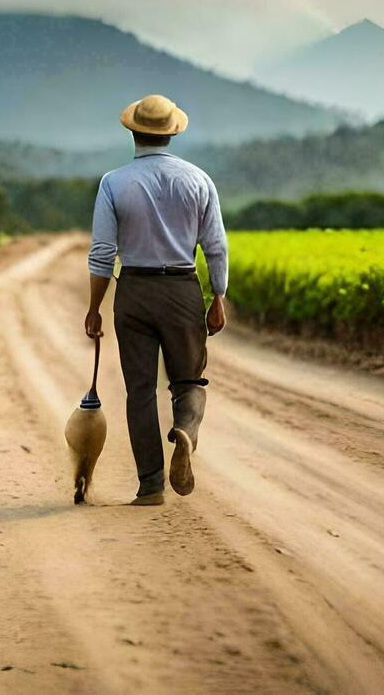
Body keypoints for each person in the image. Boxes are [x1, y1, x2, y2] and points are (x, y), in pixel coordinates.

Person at [85, 94, 228, 506]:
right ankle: (185, 430)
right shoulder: (199, 180)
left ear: (132, 130)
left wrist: (95, 307)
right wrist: (217, 295)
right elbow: (215, 246)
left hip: (134, 290)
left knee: (141, 391)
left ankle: (150, 485)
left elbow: (101, 252)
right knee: (189, 381)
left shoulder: (114, 182)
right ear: (173, 133)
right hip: (183, 289)